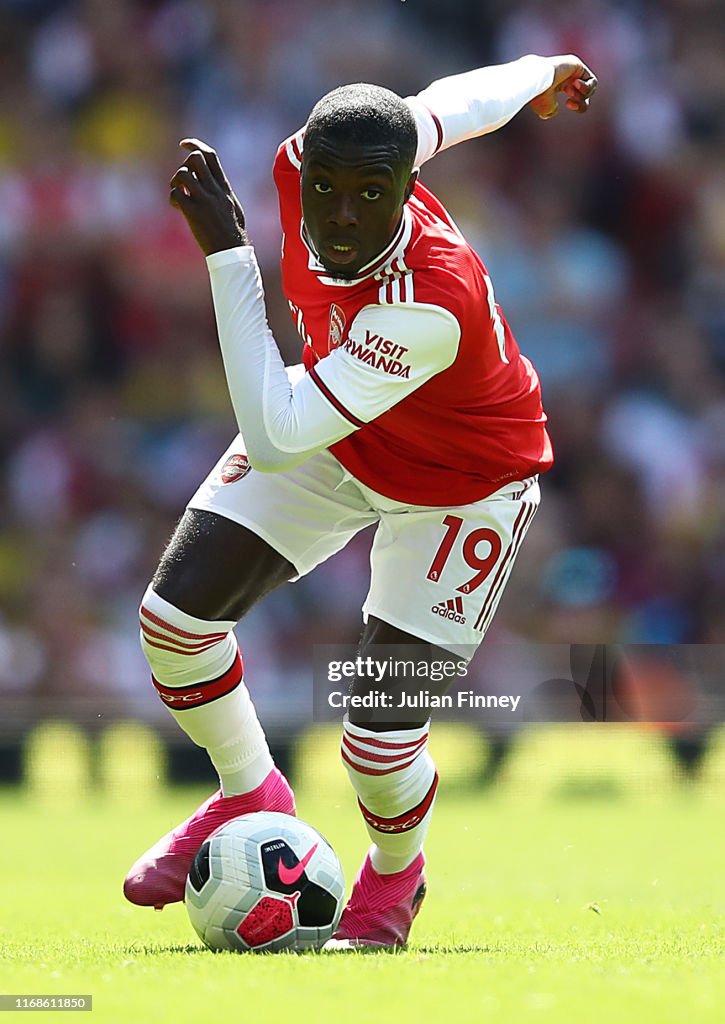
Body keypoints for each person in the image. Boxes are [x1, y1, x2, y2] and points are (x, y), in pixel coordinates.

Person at [123, 53, 597, 948]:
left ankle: (395, 873)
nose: (343, 216)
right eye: (326, 190)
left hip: (464, 486)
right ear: (303, 171)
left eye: (372, 194)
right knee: (172, 622)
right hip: (341, 429)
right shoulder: (316, 155)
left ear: (405, 184)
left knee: (375, 735)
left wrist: (229, 252)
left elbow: (273, 434)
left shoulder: (429, 299)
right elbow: (453, 103)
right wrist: (539, 73)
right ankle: (246, 792)